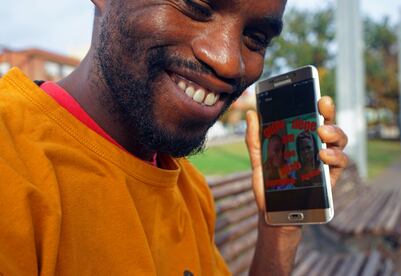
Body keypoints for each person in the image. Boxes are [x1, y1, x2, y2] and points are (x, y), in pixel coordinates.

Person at [0, 0, 348, 275]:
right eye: (195, 6)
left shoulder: (191, 192)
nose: (229, 63)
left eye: (255, 39)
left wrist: (281, 226)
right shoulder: (12, 160)